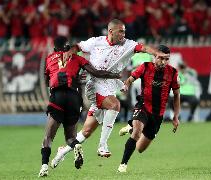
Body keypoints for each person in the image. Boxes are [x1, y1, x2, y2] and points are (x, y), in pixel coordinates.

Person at [50, 19, 167, 168]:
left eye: (124, 31)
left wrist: (157, 53)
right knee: (115, 105)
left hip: (110, 86)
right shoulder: (96, 42)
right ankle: (102, 145)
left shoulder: (127, 44)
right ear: (111, 31)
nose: (123, 34)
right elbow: (78, 46)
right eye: (121, 31)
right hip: (94, 85)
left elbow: (144, 48)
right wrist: (71, 51)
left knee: (86, 132)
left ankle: (62, 151)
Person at [38, 36, 120, 177]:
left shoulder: (50, 58)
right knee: (70, 137)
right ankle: (75, 145)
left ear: (54, 48)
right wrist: (114, 75)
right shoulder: (77, 58)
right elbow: (95, 73)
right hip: (74, 98)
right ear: (69, 47)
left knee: (48, 136)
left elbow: (47, 81)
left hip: (57, 96)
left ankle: (44, 167)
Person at [117, 45, 180, 173]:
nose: (163, 62)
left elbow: (177, 95)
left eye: (166, 59)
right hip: (143, 106)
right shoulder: (145, 67)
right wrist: (126, 86)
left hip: (158, 114)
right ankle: (123, 165)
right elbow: (130, 79)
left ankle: (130, 128)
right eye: (161, 58)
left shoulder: (173, 72)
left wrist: (175, 116)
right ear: (154, 56)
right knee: (137, 133)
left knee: (140, 148)